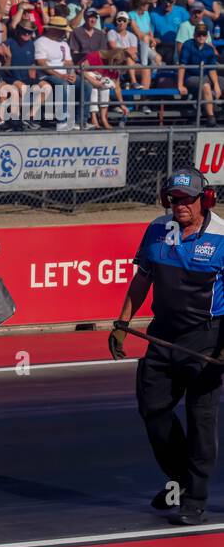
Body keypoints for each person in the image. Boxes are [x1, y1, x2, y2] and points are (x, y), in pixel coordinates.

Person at [111, 167, 224, 526]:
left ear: (205, 200)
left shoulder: (222, 237)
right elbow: (142, 277)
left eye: (187, 200)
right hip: (162, 335)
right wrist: (122, 323)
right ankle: (181, 478)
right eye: (173, 199)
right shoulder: (157, 229)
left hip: (206, 337)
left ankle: (195, 497)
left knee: (200, 417)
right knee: (153, 411)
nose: (179, 206)